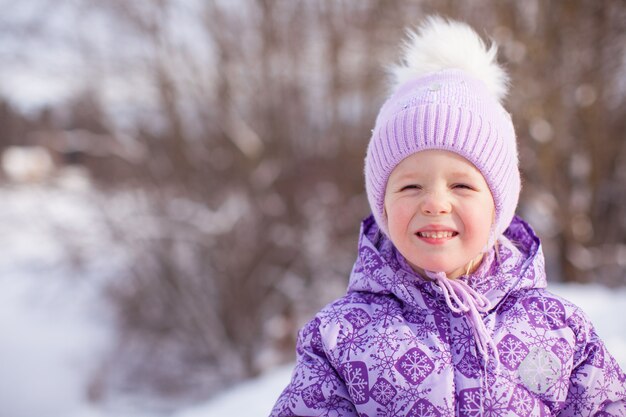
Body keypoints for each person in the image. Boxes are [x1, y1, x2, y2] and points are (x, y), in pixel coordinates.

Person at [270, 16, 626, 417]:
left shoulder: (558, 329)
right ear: (382, 204)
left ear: (499, 206)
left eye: (461, 186)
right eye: (410, 187)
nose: (435, 204)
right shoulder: (341, 338)